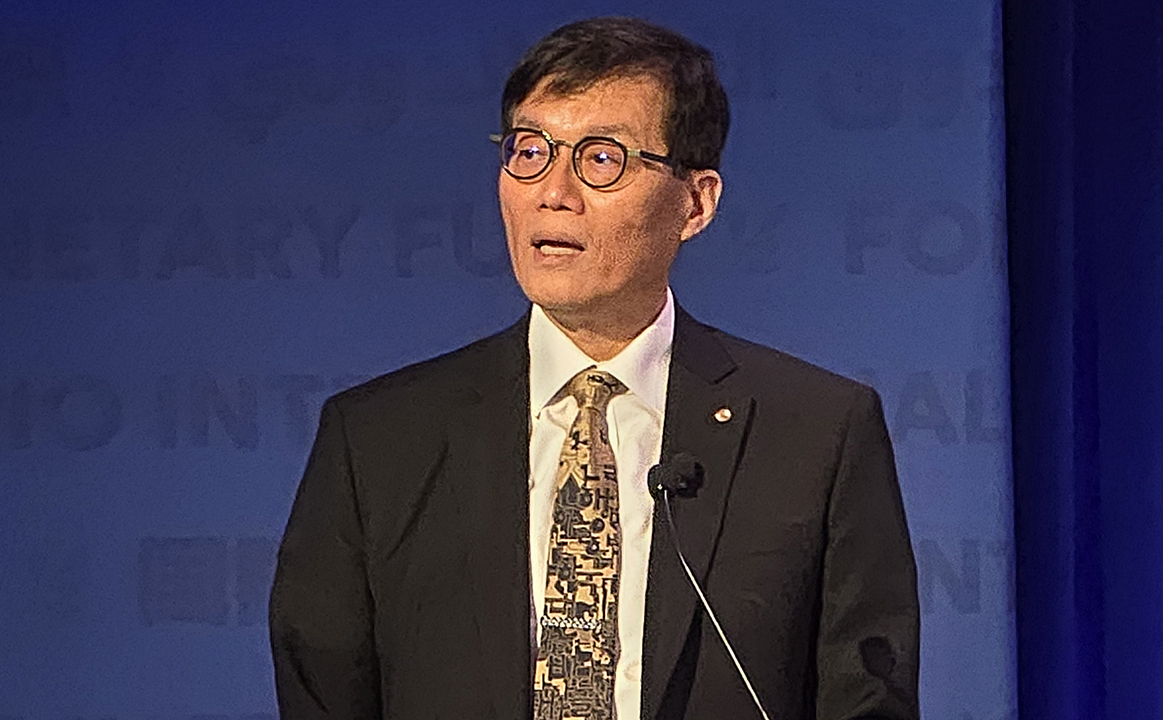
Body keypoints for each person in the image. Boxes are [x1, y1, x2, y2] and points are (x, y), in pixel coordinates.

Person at [269, 16, 919, 720]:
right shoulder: (377, 440)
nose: (553, 192)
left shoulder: (816, 433)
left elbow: (866, 699)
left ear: (695, 203)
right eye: (529, 151)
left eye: (601, 158)